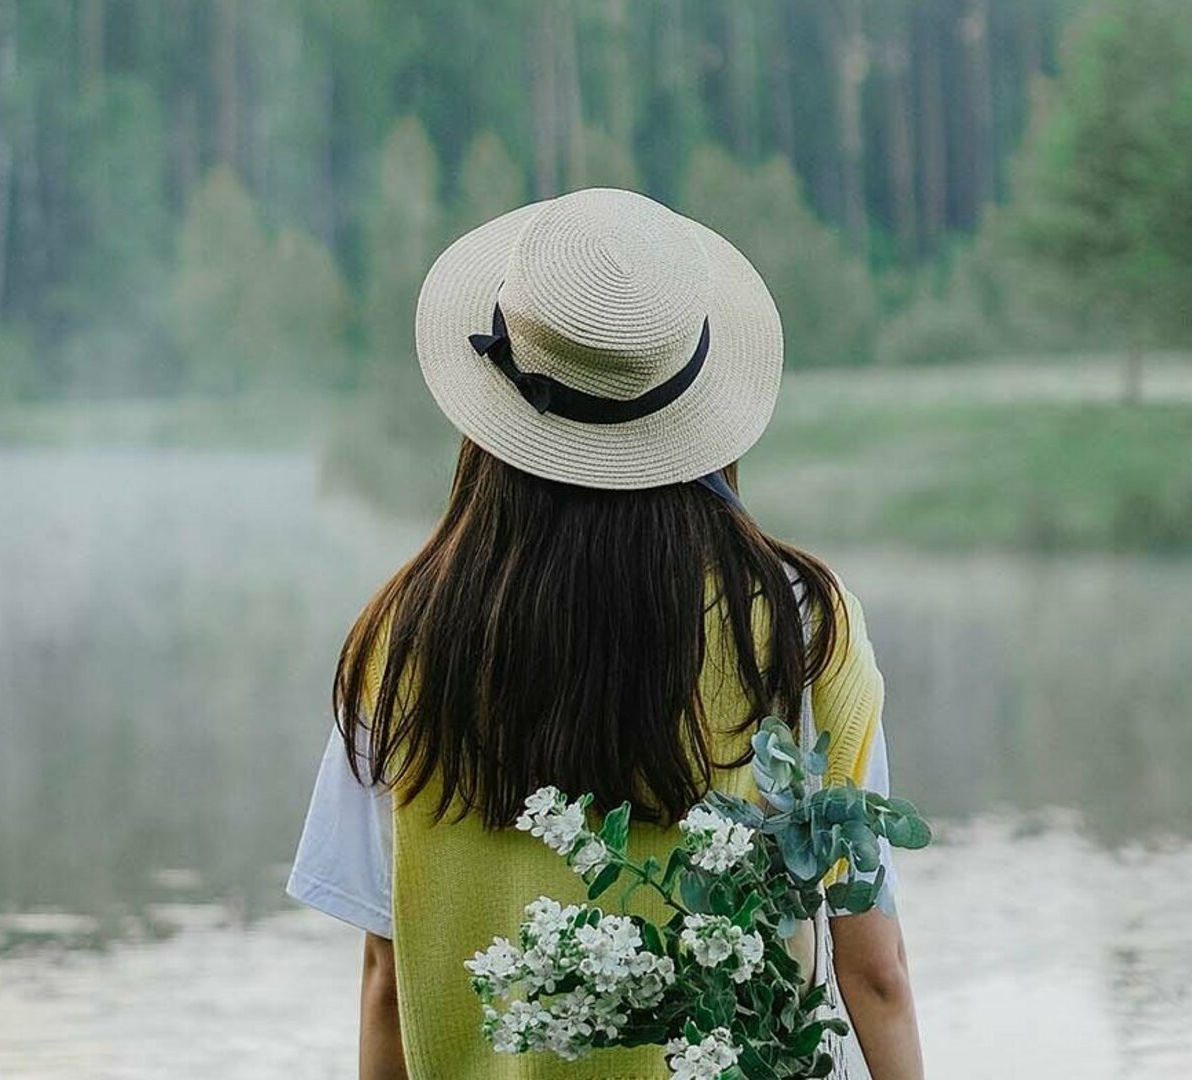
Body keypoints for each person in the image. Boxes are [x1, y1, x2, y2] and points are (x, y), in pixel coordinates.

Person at [288, 188, 924, 1079]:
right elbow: (875, 974)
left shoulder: (405, 638)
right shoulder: (803, 630)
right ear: (697, 402)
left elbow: (388, 982)